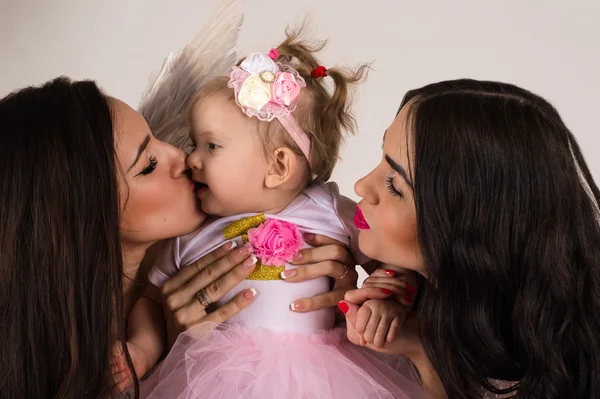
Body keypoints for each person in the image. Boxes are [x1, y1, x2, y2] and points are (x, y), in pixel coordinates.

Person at [0, 77, 356, 399]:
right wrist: (170, 352)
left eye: (162, 138)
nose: (182, 157)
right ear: (82, 217)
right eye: (148, 165)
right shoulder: (97, 367)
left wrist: (356, 300)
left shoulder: (317, 210)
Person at [124, 27, 424, 399]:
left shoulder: (329, 210)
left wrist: (387, 295)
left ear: (278, 167)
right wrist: (138, 350)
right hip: (217, 379)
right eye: (193, 143)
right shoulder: (190, 233)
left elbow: (390, 259)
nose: (191, 158)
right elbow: (151, 302)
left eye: (211, 145)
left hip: (325, 377)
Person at [339, 79, 600, 399]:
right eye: (381, 158)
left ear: (467, 223)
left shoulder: (549, 361)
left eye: (395, 184)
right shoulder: (429, 300)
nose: (361, 186)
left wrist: (424, 353)